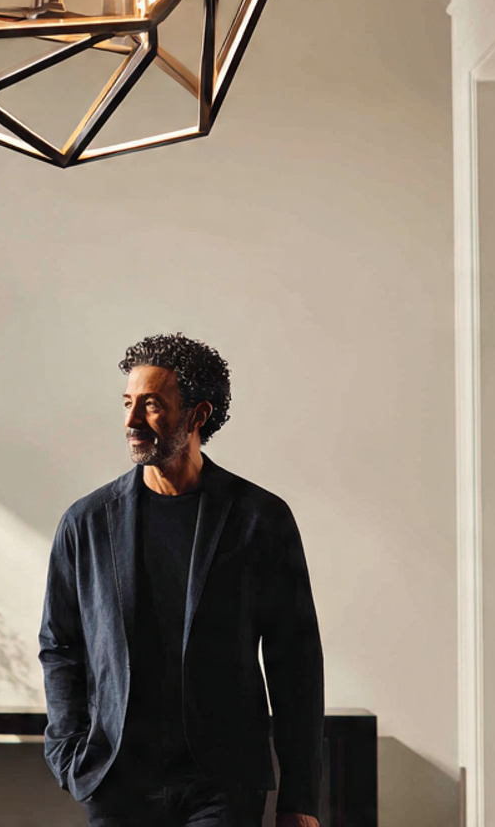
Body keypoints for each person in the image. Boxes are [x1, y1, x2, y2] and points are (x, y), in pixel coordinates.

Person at [39, 333, 323, 827]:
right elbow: (61, 644)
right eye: (127, 403)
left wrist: (299, 798)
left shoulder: (260, 519)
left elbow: (295, 661)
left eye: (151, 405)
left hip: (223, 783)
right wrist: (68, 750)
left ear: (197, 415)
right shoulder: (87, 523)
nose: (131, 420)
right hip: (118, 781)